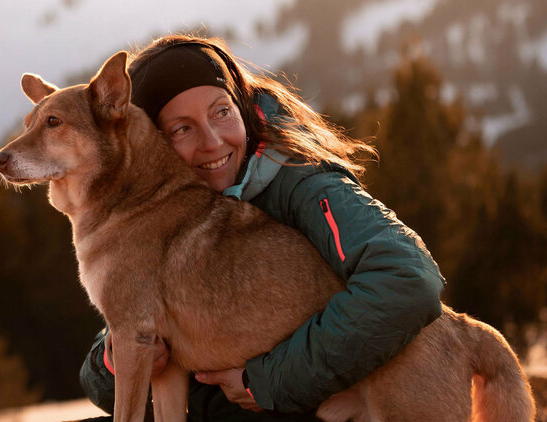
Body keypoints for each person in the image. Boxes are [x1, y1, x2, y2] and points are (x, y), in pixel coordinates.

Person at [79, 35, 445, 421]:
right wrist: (119, 359)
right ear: (152, 146)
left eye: (221, 112)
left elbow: (408, 279)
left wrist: (270, 380)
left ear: (242, 108)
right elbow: (107, 367)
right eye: (181, 129)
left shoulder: (303, 182)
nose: (212, 141)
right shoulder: (167, 222)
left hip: (347, 391)